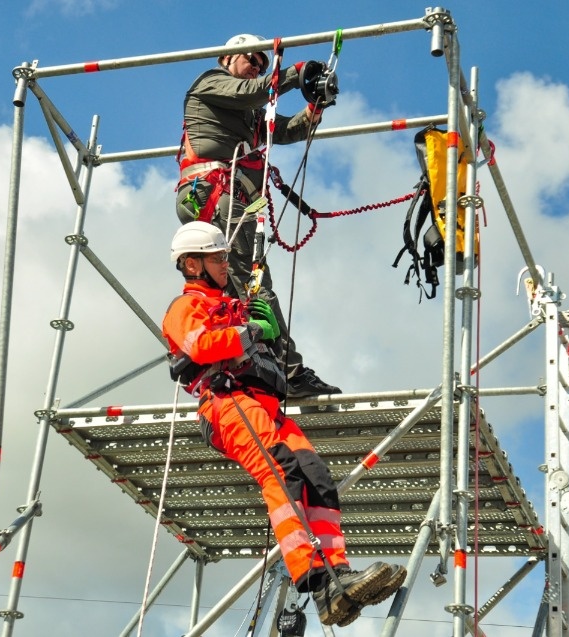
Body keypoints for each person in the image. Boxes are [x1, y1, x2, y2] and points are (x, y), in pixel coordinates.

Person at [162, 221, 406, 627]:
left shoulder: (233, 307)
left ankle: (338, 575)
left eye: (225, 256)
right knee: (280, 471)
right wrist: (253, 328)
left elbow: (253, 343)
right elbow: (200, 346)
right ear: (192, 264)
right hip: (228, 401)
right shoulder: (185, 308)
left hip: (266, 406)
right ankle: (314, 578)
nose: (226, 263)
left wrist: (258, 325)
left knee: (317, 477)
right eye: (217, 257)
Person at [174, 33, 340, 399]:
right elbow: (255, 91)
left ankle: (251, 364)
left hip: (232, 199)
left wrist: (316, 105)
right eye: (252, 59)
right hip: (216, 193)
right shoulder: (210, 83)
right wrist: (297, 73)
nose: (258, 67)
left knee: (241, 289)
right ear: (228, 59)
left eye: (263, 63)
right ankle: (289, 371)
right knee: (254, 286)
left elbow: (287, 129)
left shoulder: (250, 113)